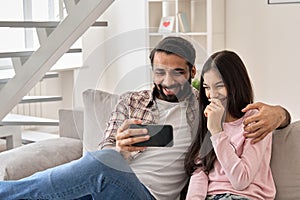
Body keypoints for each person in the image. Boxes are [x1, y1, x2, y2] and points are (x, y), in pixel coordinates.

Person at [0, 37, 290, 200]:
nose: (167, 80)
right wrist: (119, 150)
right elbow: (98, 160)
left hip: (149, 197)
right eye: (159, 71)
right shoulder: (130, 102)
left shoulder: (202, 109)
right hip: (112, 187)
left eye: (177, 72)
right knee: (104, 163)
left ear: (192, 73)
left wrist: (280, 114)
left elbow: (239, 113)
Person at [185, 50, 276, 200]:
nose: (212, 95)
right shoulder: (207, 121)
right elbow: (199, 174)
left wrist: (217, 132)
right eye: (207, 87)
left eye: (219, 86)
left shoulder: (255, 120)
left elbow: (241, 180)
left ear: (236, 84)